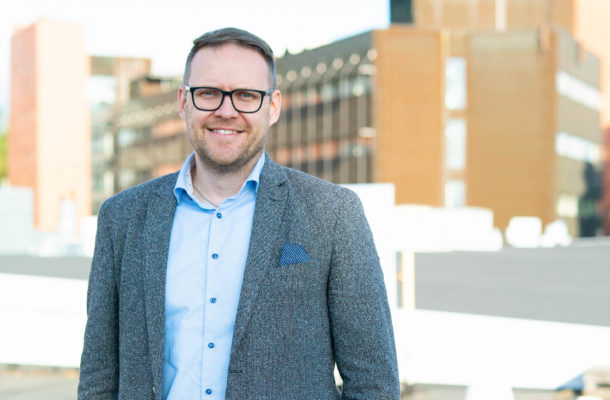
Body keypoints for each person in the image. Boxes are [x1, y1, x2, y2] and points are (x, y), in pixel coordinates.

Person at [78, 27, 399, 399]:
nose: (226, 111)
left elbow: (374, 382)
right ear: (183, 102)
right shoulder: (122, 218)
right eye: (208, 93)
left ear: (273, 106)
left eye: (246, 95)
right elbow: (98, 379)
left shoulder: (332, 214)